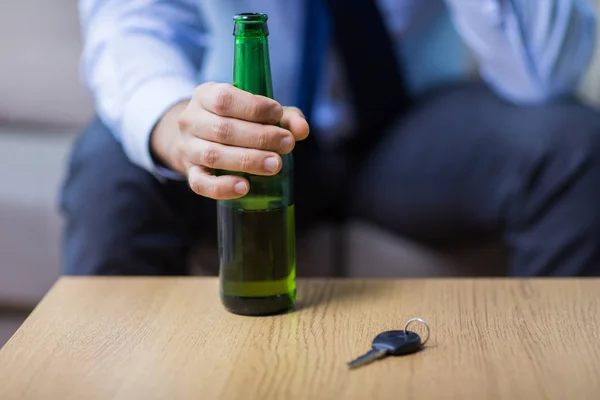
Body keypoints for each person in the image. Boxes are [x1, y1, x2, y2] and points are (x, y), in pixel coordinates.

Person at [61, 0, 600, 277]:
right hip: (251, 129)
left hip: (408, 126)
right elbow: (132, 25)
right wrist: (178, 125)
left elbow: (545, 73)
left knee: (576, 147)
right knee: (111, 169)